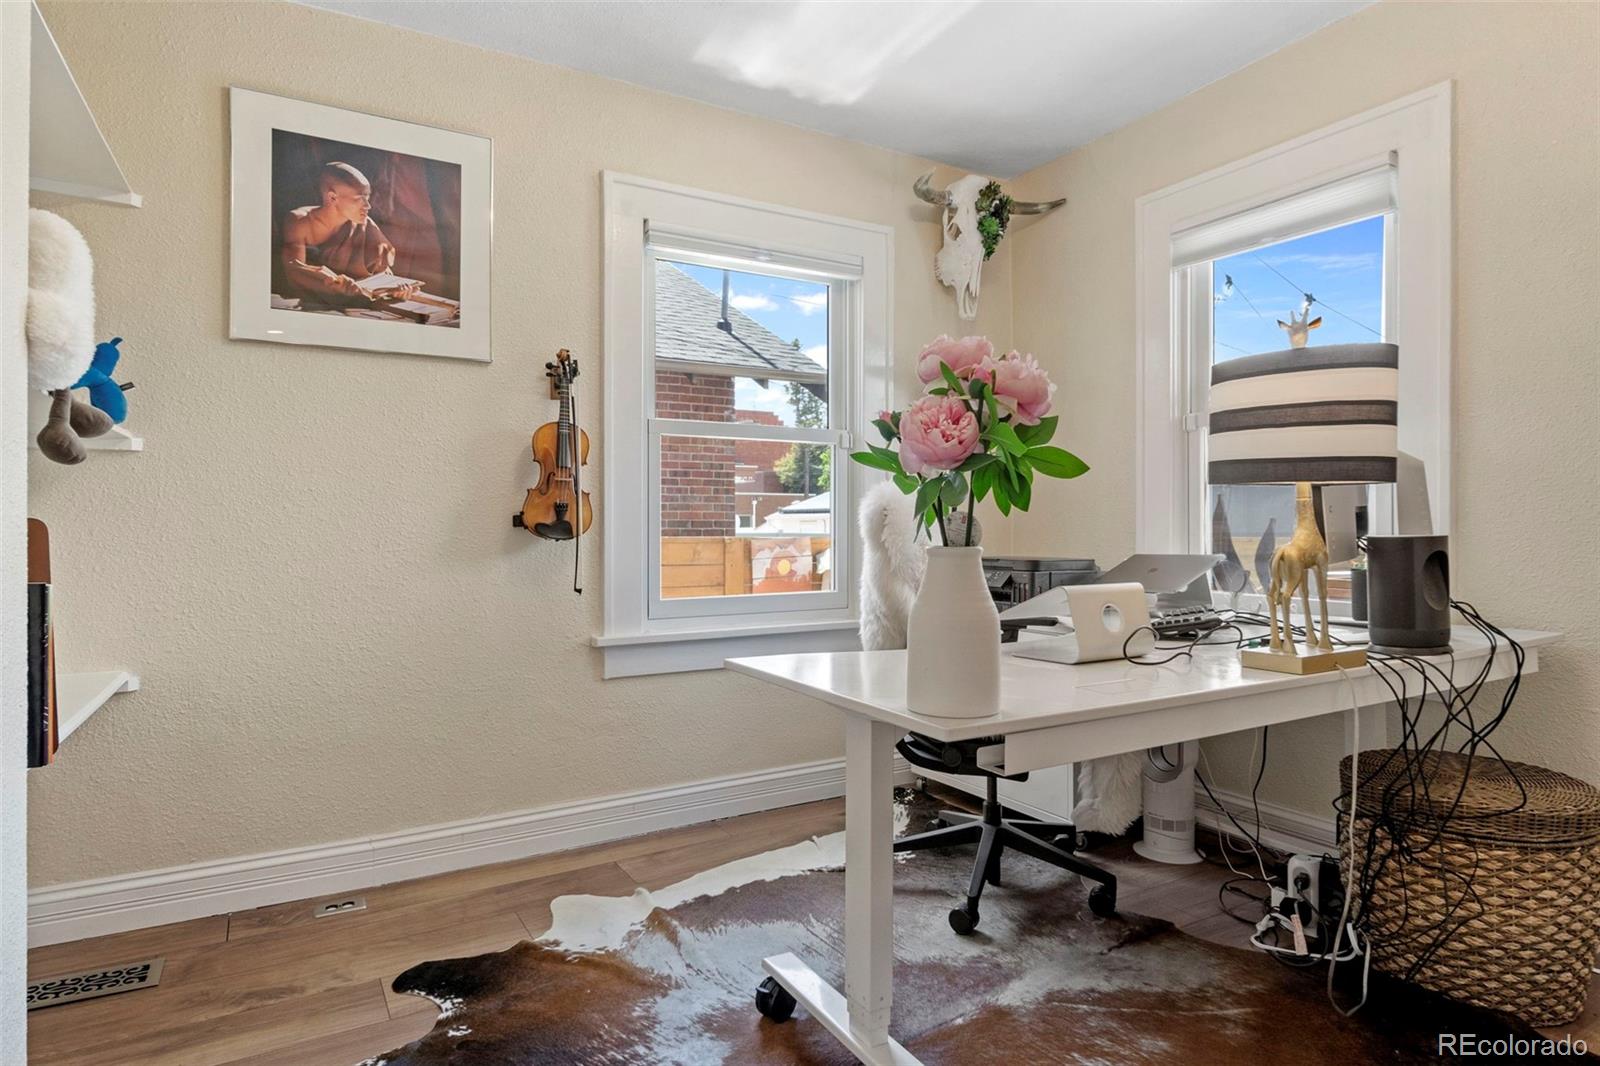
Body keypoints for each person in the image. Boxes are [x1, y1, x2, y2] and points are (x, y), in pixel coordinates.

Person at [277, 161, 417, 307]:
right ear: (332, 198)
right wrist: (331, 287)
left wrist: (395, 290)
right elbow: (295, 273)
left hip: (356, 306)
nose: (368, 206)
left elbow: (382, 274)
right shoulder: (300, 221)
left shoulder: (364, 224)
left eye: (367, 198)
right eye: (358, 199)